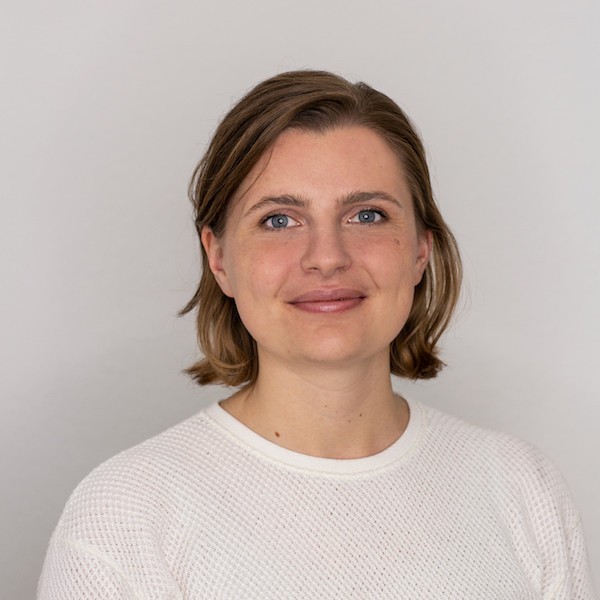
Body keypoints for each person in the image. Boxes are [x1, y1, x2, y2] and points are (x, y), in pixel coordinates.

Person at [38, 70, 596, 599]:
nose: (327, 257)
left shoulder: (522, 488)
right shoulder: (125, 517)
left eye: (367, 215)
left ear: (421, 250)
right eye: (279, 220)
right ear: (219, 258)